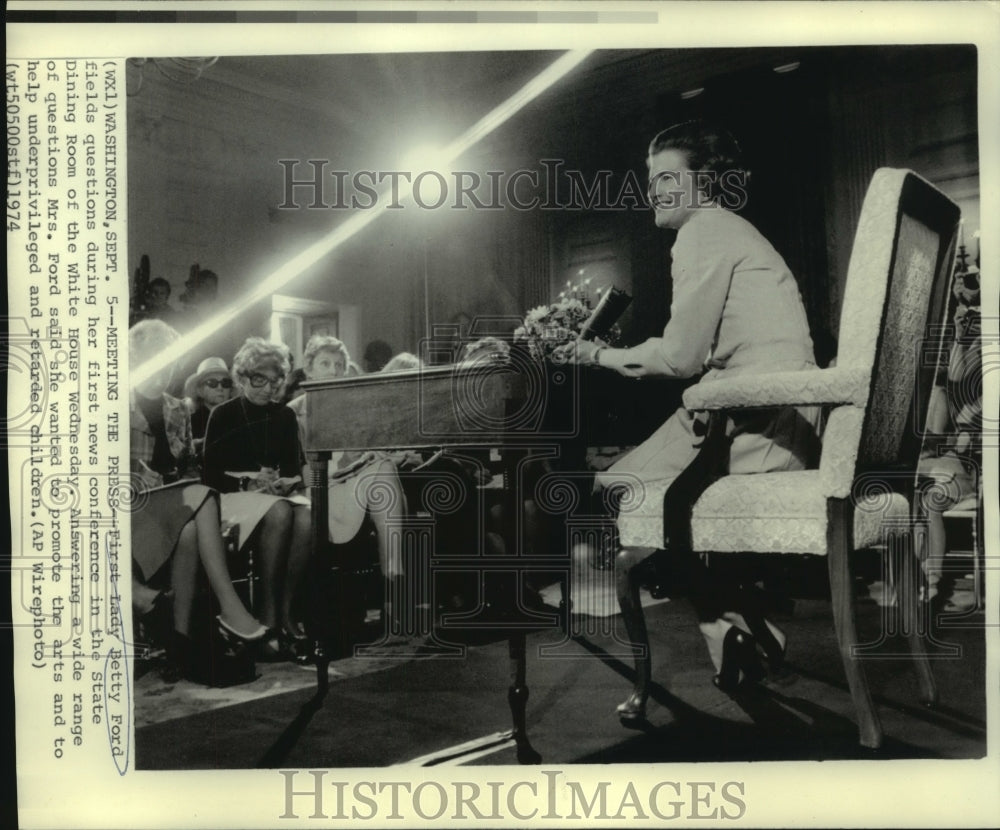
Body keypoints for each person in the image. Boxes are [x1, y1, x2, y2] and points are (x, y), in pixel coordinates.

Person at [557, 121, 821, 721]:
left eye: (668, 177)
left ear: (703, 181)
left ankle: (714, 634)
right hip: (780, 418)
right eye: (652, 179)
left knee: (618, 493)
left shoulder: (703, 233)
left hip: (749, 420)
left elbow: (680, 356)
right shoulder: (734, 231)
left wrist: (593, 353)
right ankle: (738, 628)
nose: (655, 190)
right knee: (659, 514)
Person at [129, 320, 266, 679]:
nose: (165, 369)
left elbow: (190, 468)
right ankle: (230, 609)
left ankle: (179, 641)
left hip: (168, 505)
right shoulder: (112, 404)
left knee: (193, 520)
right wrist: (140, 479)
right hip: (128, 508)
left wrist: (175, 482)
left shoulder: (177, 409)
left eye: (172, 361)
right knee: (201, 503)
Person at [288, 335, 409, 637]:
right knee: (381, 475)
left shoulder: (355, 409)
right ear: (309, 369)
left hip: (354, 487)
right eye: (325, 364)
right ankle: (395, 592)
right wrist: (341, 465)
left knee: (383, 468)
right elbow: (297, 473)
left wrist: (373, 454)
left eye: (339, 365)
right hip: (313, 490)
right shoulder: (292, 412)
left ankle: (393, 586)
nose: (333, 371)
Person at [202, 337, 312, 660]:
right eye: (258, 379)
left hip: (272, 497)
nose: (267, 388)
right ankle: (267, 619)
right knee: (279, 512)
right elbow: (209, 477)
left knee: (307, 516)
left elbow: (293, 470)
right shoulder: (222, 415)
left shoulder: (285, 417)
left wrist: (283, 484)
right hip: (233, 499)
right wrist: (249, 483)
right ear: (242, 378)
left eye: (275, 380)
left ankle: (287, 613)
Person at [183, 356, 234, 457]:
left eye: (225, 383)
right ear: (200, 390)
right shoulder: (190, 423)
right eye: (212, 383)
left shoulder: (239, 416)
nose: (220, 388)